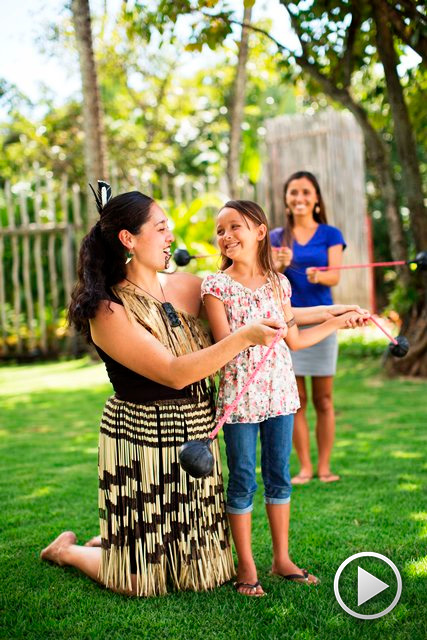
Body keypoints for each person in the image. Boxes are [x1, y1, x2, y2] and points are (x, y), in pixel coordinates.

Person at [40, 188, 286, 597]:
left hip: (195, 435)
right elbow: (173, 373)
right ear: (128, 240)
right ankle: (68, 551)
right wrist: (244, 339)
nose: (171, 235)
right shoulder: (108, 309)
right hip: (142, 442)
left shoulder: (189, 286)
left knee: (207, 574)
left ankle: (119, 545)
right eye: (160, 227)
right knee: (139, 583)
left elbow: (249, 291)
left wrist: (268, 264)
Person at [201, 200, 367, 597]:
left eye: (235, 227)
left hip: (280, 397)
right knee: (242, 481)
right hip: (239, 401)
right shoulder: (216, 286)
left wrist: (337, 319)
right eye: (220, 230)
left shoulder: (280, 284)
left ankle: (281, 559)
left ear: (260, 231)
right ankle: (246, 565)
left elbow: (295, 338)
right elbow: (224, 344)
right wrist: (253, 331)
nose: (226, 236)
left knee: (279, 476)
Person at [270, 170, 346, 485]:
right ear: (287, 199)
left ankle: (325, 467)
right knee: (297, 398)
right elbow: (268, 276)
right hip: (290, 321)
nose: (300, 198)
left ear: (315, 199)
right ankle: (304, 467)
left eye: (305, 192)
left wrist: (320, 275)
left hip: (323, 322)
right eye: (294, 193)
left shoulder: (330, 234)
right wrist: (280, 265)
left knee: (324, 399)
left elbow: (335, 276)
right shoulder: (276, 237)